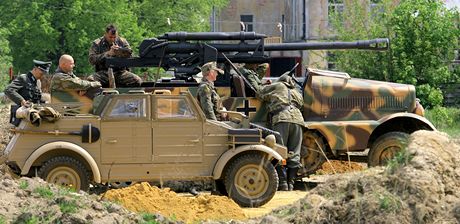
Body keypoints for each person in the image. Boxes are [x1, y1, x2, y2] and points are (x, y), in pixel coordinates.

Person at [257, 72, 304, 191]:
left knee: (279, 150)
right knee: (295, 152)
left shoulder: (278, 86)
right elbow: (301, 104)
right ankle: (291, 183)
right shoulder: (297, 92)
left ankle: (283, 183)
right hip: (298, 120)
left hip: (281, 118)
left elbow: (260, 93)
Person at [5, 60, 52, 125]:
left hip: (34, 115)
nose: (42, 76)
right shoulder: (23, 78)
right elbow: (8, 90)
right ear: (35, 69)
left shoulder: (38, 82)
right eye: (41, 73)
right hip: (23, 117)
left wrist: (45, 102)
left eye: (44, 74)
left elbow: (36, 98)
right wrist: (22, 101)